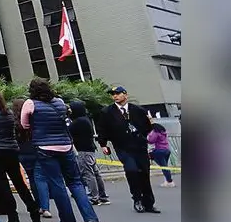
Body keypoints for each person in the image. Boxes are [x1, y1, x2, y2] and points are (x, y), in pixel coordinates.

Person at [21, 78, 107, 222]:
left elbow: (24, 124)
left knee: (57, 184)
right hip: (66, 146)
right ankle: (92, 219)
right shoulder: (60, 102)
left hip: (44, 147)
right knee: (76, 183)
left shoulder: (30, 103)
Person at [96, 85, 159, 213]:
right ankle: (137, 199)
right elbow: (102, 129)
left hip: (140, 146)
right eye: (113, 94)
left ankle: (149, 203)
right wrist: (103, 144)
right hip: (122, 147)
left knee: (144, 173)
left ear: (125, 94)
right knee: (132, 170)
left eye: (118, 93)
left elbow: (148, 127)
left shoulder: (138, 110)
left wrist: (143, 135)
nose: (115, 96)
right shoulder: (107, 112)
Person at [0, 90, 41, 222]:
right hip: (11, 150)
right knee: (19, 182)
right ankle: (33, 210)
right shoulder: (8, 114)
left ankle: (13, 217)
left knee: (2, 184)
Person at [68, 100, 110, 205]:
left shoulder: (78, 122)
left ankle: (94, 197)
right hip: (89, 149)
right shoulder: (85, 119)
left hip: (83, 151)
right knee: (95, 173)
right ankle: (102, 196)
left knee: (88, 174)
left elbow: (68, 131)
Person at [148, 122, 174, 188]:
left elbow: (151, 141)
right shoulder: (163, 132)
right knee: (165, 166)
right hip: (167, 150)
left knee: (163, 166)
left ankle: (170, 181)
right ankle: (167, 180)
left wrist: (149, 135)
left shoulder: (155, 132)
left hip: (160, 151)